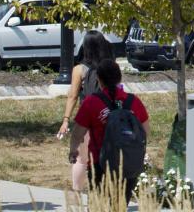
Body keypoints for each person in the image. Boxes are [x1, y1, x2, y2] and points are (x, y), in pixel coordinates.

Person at [70, 59, 150, 203]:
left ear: (99, 80)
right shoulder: (134, 102)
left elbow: (77, 133)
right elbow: (145, 133)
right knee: (119, 206)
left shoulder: (91, 102)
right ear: (119, 78)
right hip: (128, 165)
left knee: (97, 206)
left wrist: (73, 150)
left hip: (100, 166)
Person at [56, 31, 116, 191]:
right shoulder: (111, 67)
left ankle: (77, 193)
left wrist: (66, 120)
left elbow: (73, 96)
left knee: (82, 159)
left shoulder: (79, 70)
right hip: (110, 117)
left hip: (88, 119)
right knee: (108, 157)